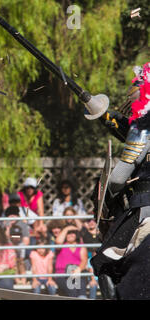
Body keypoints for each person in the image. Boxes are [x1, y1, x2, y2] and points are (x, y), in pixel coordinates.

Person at [91, 62, 150, 299]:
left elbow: (117, 178)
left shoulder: (144, 126)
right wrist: (109, 118)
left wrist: (112, 198)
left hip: (145, 210)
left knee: (105, 261)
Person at [54, 228, 88, 298]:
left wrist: (78, 269)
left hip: (77, 273)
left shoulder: (81, 246)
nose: (70, 235)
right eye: (68, 233)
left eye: (72, 233)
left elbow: (84, 261)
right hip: (63, 274)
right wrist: (66, 228)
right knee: (72, 289)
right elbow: (58, 241)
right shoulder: (61, 246)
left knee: (81, 290)